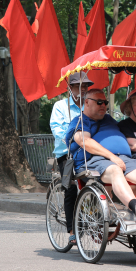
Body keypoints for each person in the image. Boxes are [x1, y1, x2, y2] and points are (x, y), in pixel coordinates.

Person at [65, 88, 136, 222]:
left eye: (105, 102)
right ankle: (135, 207)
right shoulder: (80, 121)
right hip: (94, 161)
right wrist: (112, 156)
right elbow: (83, 140)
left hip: (124, 158)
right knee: (115, 170)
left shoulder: (108, 119)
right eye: (99, 102)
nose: (103, 105)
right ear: (87, 102)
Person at [49, 71, 93, 246]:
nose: (84, 90)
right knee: (71, 188)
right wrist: (75, 139)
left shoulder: (90, 105)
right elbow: (57, 129)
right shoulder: (60, 106)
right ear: (71, 88)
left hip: (88, 152)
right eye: (80, 86)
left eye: (86, 86)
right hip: (67, 154)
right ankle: (72, 231)